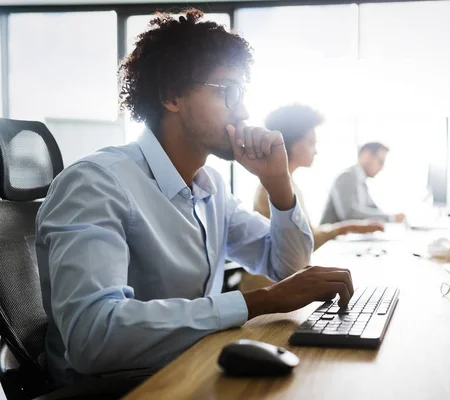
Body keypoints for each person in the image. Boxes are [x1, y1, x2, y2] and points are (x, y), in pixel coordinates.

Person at [35, 10, 353, 386]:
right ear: (172, 95)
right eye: (229, 93)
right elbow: (93, 337)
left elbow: (288, 265)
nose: (245, 111)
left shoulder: (209, 187)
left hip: (189, 368)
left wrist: (278, 183)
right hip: (118, 390)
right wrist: (261, 302)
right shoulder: (96, 183)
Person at [254, 104, 384, 251]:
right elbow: (305, 243)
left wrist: (349, 227)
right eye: (311, 143)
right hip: (274, 274)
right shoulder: (274, 188)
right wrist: (347, 228)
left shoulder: (288, 183)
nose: (315, 151)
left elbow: (307, 237)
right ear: (291, 144)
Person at [320, 142, 405, 225]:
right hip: (330, 238)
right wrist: (391, 218)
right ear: (366, 154)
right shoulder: (346, 177)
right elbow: (349, 214)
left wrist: (393, 217)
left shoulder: (362, 183)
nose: (381, 168)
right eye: (380, 162)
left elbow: (374, 209)